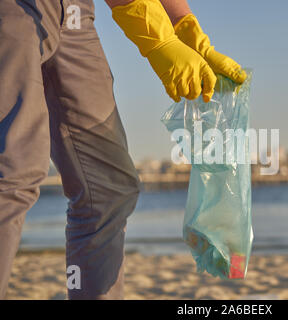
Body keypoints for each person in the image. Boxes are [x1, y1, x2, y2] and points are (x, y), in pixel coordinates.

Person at [0, 0, 246, 299]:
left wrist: (182, 25)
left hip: (76, 13)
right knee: (12, 170)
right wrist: (160, 40)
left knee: (106, 189)